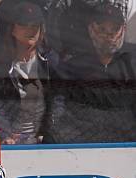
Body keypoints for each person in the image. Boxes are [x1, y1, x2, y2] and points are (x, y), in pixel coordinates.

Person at [46, 1, 136, 143]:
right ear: (91, 29)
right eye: (102, 29)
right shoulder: (73, 67)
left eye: (114, 29)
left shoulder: (132, 61)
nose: (109, 35)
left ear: (123, 29)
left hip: (128, 144)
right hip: (84, 144)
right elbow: (61, 109)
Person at [0, 1, 56, 144]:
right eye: (24, 25)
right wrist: (5, 135)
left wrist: (47, 133)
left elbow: (58, 102)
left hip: (44, 143)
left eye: (35, 26)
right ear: (13, 29)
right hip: (11, 144)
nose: (30, 30)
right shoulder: (0, 69)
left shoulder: (50, 63)